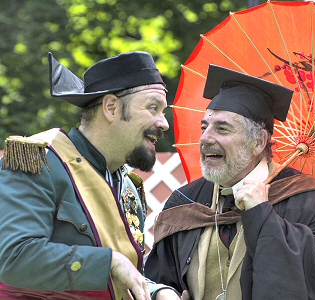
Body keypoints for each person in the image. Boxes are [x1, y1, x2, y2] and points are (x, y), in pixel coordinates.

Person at [144, 64, 315, 300]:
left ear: (258, 142)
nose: (205, 139)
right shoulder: (185, 203)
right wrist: (164, 294)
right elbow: (157, 281)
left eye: (222, 129)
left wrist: (262, 215)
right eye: (204, 127)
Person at [0, 51, 181, 300]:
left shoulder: (128, 187)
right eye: (153, 108)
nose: (164, 123)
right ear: (111, 108)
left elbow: (122, 276)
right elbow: (13, 259)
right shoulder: (39, 161)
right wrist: (109, 262)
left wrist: (156, 291)